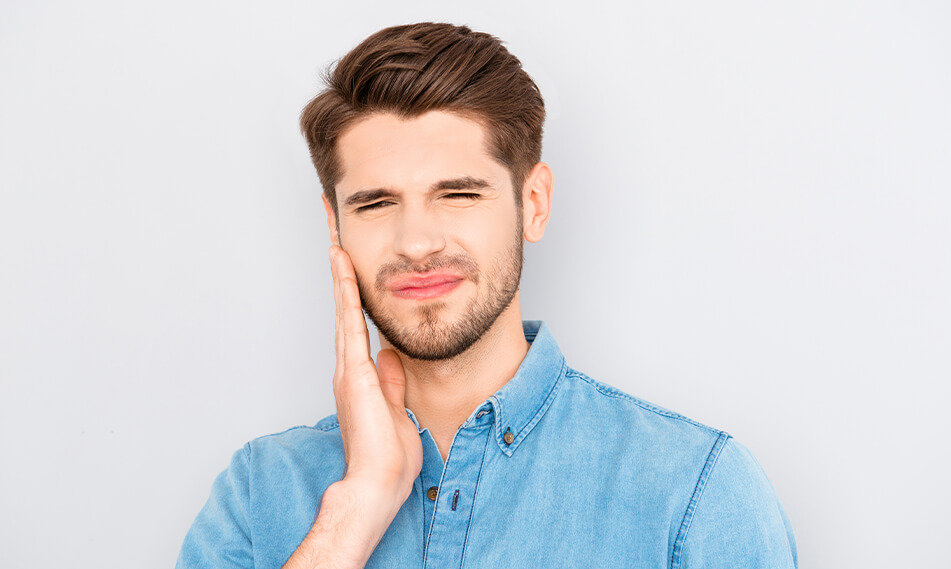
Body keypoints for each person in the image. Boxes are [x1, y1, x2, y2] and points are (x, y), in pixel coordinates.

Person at [176, 22, 798, 569]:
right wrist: (356, 507)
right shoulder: (259, 494)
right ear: (334, 225)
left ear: (533, 204)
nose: (416, 242)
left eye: (458, 194)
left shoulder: (693, 490)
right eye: (376, 203)